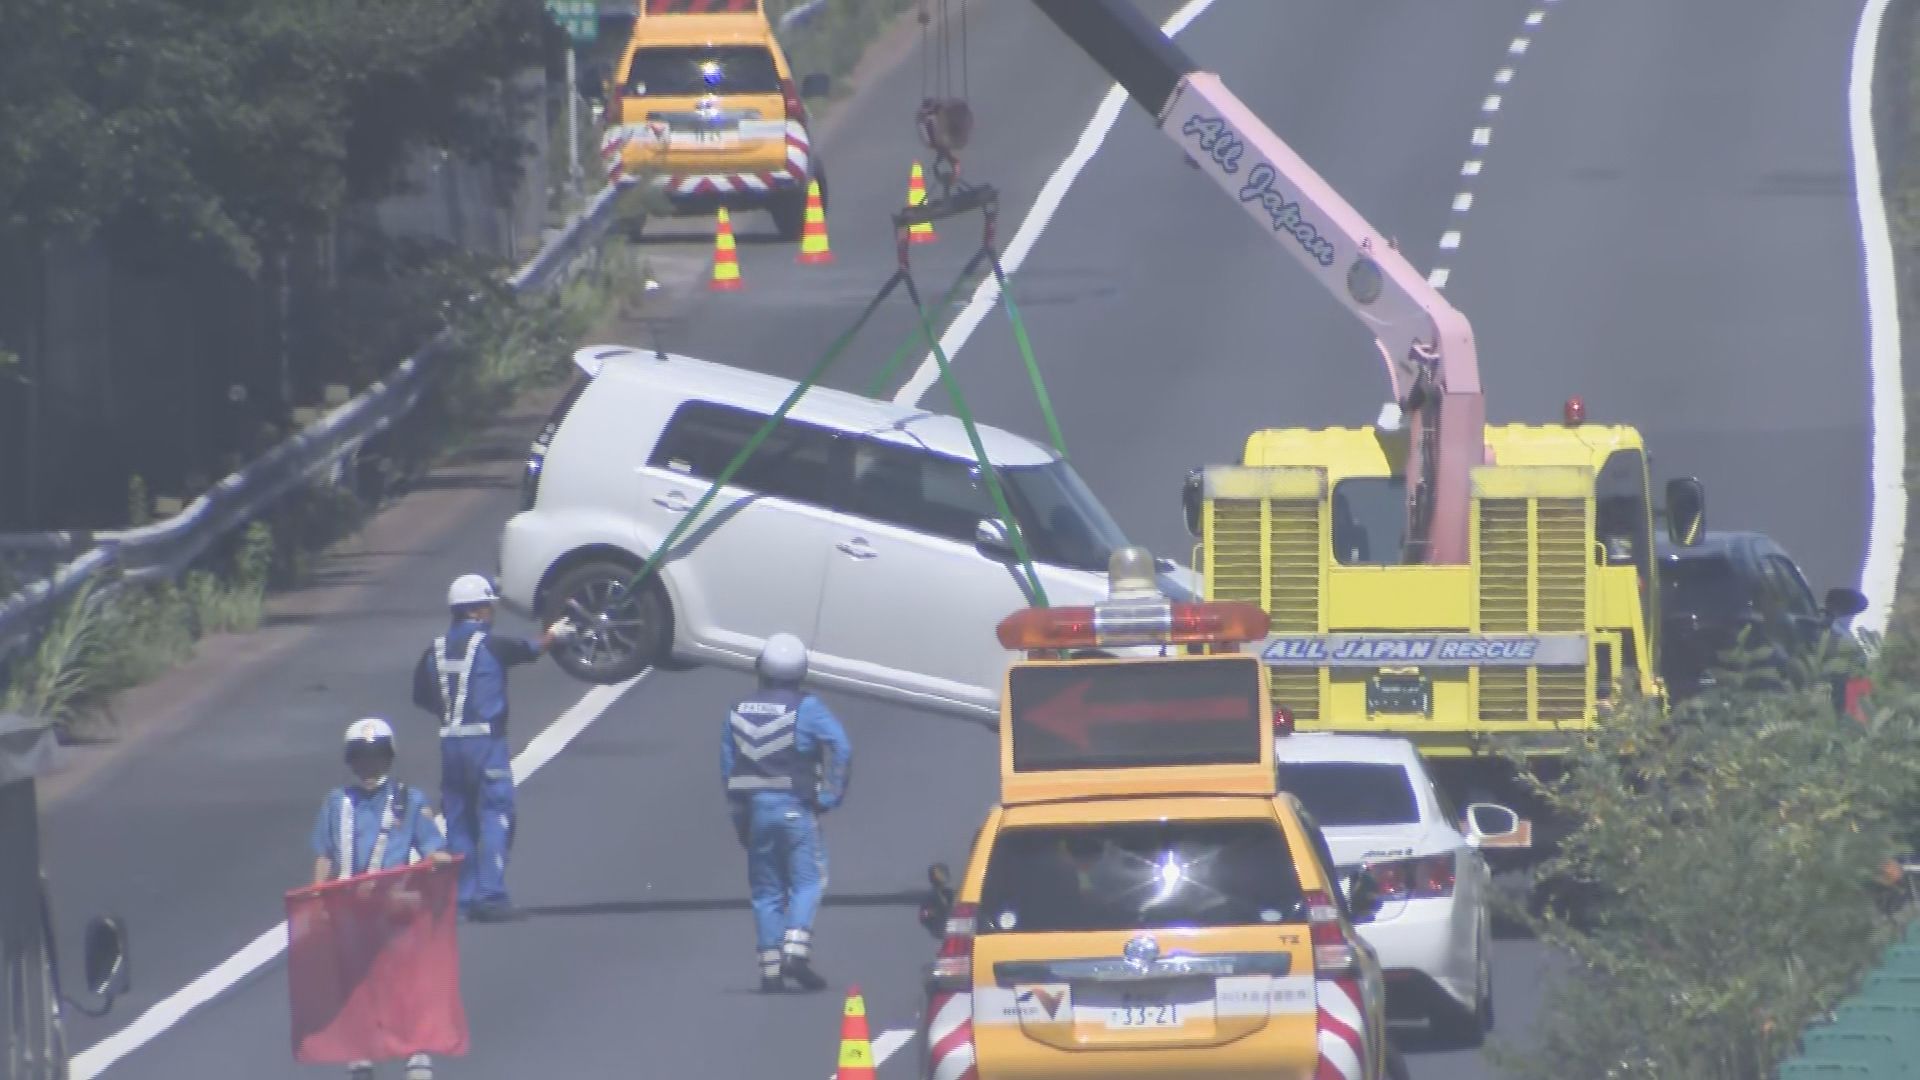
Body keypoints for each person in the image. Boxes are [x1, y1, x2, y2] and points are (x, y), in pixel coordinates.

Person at [412, 573, 575, 922]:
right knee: (496, 815)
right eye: (488, 607)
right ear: (476, 610)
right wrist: (556, 634)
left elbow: (421, 696)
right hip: (485, 744)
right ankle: (491, 895)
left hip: (450, 742)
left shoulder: (433, 651)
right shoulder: (490, 645)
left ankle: (463, 899)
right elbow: (529, 649)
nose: (491, 613)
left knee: (458, 821)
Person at [309, 718, 452, 1080]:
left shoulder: (408, 801)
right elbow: (324, 854)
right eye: (361, 758)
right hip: (349, 908)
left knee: (404, 979)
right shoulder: (336, 803)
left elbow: (432, 847)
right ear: (351, 761)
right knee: (356, 983)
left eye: (376, 758)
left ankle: (416, 1052)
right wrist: (318, 897)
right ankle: (361, 1053)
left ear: (389, 758)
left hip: (396, 905)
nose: (369, 766)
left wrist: (438, 859)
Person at [720, 632, 852, 993]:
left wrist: (741, 823)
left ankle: (770, 970)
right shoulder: (808, 708)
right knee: (808, 882)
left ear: (761, 668)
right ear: (801, 671)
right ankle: (796, 950)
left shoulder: (737, 709)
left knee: (766, 890)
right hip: (795, 807)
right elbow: (841, 746)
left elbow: (728, 769)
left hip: (754, 811)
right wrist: (830, 795)